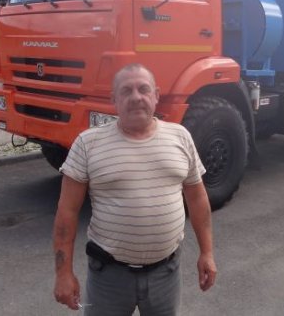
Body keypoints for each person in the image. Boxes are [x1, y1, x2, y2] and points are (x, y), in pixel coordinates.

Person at [53, 63, 217, 315]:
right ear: (114, 99)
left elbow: (197, 199)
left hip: (166, 275)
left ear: (156, 95)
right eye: (126, 90)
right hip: (108, 278)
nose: (136, 97)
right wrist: (63, 273)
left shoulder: (180, 137)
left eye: (143, 89)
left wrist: (207, 252)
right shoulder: (88, 144)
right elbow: (67, 212)